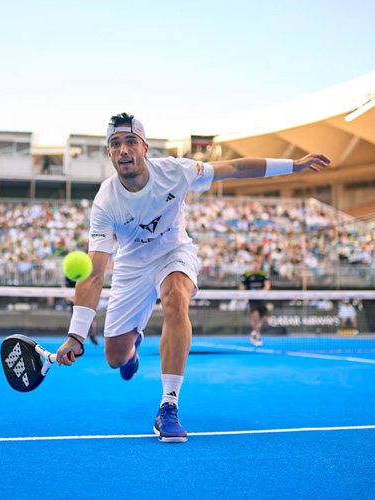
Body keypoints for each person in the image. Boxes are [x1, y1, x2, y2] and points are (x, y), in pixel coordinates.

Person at [56, 113, 329, 442]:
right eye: (115, 144)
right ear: (110, 153)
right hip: (131, 266)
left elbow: (237, 168)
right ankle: (133, 345)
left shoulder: (176, 171)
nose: (123, 149)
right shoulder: (105, 200)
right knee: (115, 358)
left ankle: (168, 406)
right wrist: (76, 335)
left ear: (144, 147)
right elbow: (96, 270)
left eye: (130, 142)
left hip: (174, 252)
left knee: (175, 299)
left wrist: (293, 165)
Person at [240, 259, 271, 346]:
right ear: (252, 264)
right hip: (252, 299)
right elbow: (242, 286)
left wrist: (262, 293)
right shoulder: (247, 275)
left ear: (260, 264)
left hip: (262, 299)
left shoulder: (263, 274)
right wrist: (244, 296)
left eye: (257, 263)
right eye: (254, 263)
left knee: (266, 320)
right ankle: (256, 336)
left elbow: (267, 285)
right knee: (255, 316)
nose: (256, 265)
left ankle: (254, 332)